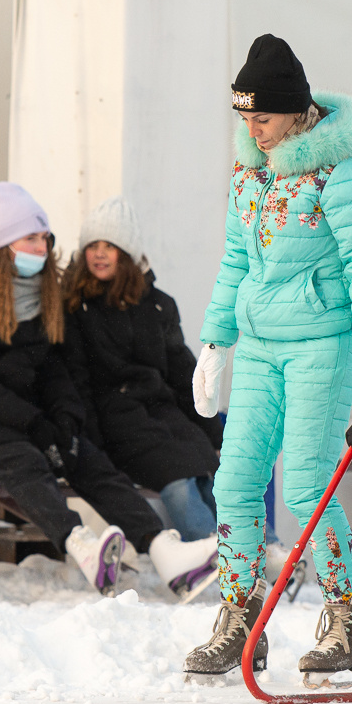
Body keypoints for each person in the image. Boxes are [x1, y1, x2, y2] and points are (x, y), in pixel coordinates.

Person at [185, 34, 352, 684]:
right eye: (244, 119)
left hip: (320, 345)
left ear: (297, 111)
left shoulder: (342, 172)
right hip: (262, 346)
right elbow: (235, 263)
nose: (253, 130)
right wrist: (217, 340)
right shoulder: (249, 174)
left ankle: (347, 617)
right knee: (236, 480)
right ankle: (241, 612)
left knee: (306, 483)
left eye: (263, 118)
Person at [0, 182, 165, 592]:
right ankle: (79, 542)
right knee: (20, 456)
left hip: (20, 412)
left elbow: (52, 364)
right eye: (30, 238)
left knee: (82, 454)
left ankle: (158, 543)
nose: (42, 247)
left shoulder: (37, 289)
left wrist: (64, 417)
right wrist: (31, 420)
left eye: (44, 238)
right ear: (1, 243)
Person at [63, 196, 226, 599]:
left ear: (128, 253)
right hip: (116, 421)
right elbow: (79, 381)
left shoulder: (156, 304)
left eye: (110, 245)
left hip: (162, 414)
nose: (100, 254)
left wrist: (214, 431)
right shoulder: (74, 307)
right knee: (179, 474)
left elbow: (181, 371)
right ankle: (215, 556)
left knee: (210, 466)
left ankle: (261, 551)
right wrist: (94, 444)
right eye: (93, 245)